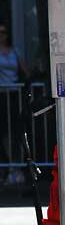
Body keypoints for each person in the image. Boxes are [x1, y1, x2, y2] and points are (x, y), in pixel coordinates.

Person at [0, 22, 28, 170]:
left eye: (4, 32)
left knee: (16, 130)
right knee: (4, 130)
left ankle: (18, 164)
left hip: (14, 93)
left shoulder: (15, 51)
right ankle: (9, 164)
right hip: (2, 94)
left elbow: (25, 71)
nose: (2, 36)